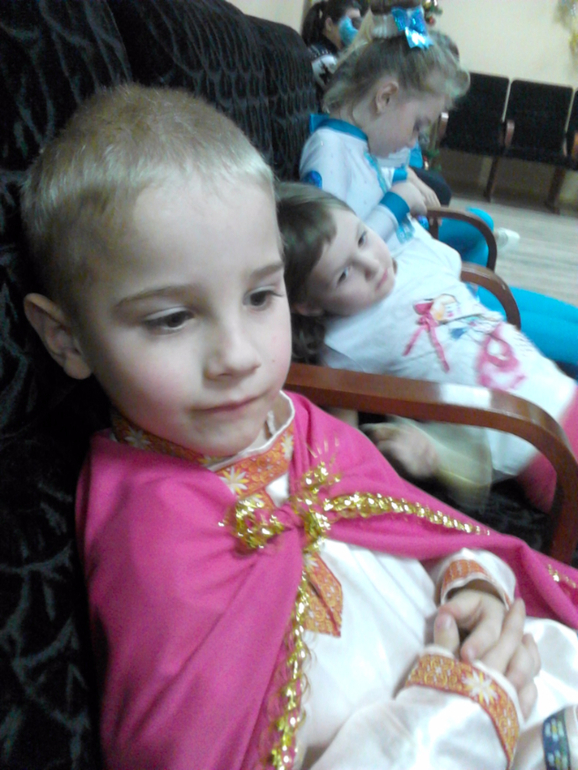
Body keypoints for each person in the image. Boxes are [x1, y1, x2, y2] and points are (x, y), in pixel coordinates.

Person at [20, 83, 578, 770]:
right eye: (171, 318)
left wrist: (471, 584)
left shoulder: (297, 422)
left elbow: (417, 530)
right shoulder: (149, 535)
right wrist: (464, 706)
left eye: (260, 295)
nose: (238, 357)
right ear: (66, 338)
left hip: (512, 672)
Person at [300, 0, 578, 371]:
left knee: (571, 321)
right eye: (417, 125)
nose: (414, 141)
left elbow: (376, 197)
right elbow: (334, 259)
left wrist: (401, 181)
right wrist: (397, 202)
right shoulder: (329, 149)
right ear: (385, 97)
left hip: (437, 284)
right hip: (421, 307)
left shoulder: (362, 144)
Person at [277, 181, 578, 515]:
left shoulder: (419, 254)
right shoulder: (341, 345)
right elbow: (342, 450)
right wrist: (401, 455)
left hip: (559, 387)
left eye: (362, 238)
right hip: (541, 449)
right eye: (344, 274)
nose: (372, 264)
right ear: (308, 306)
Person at [301, 0, 362, 99]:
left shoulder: (326, 53)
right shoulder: (324, 59)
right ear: (329, 24)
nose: (357, 30)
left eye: (359, 24)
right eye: (353, 22)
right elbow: (350, 99)